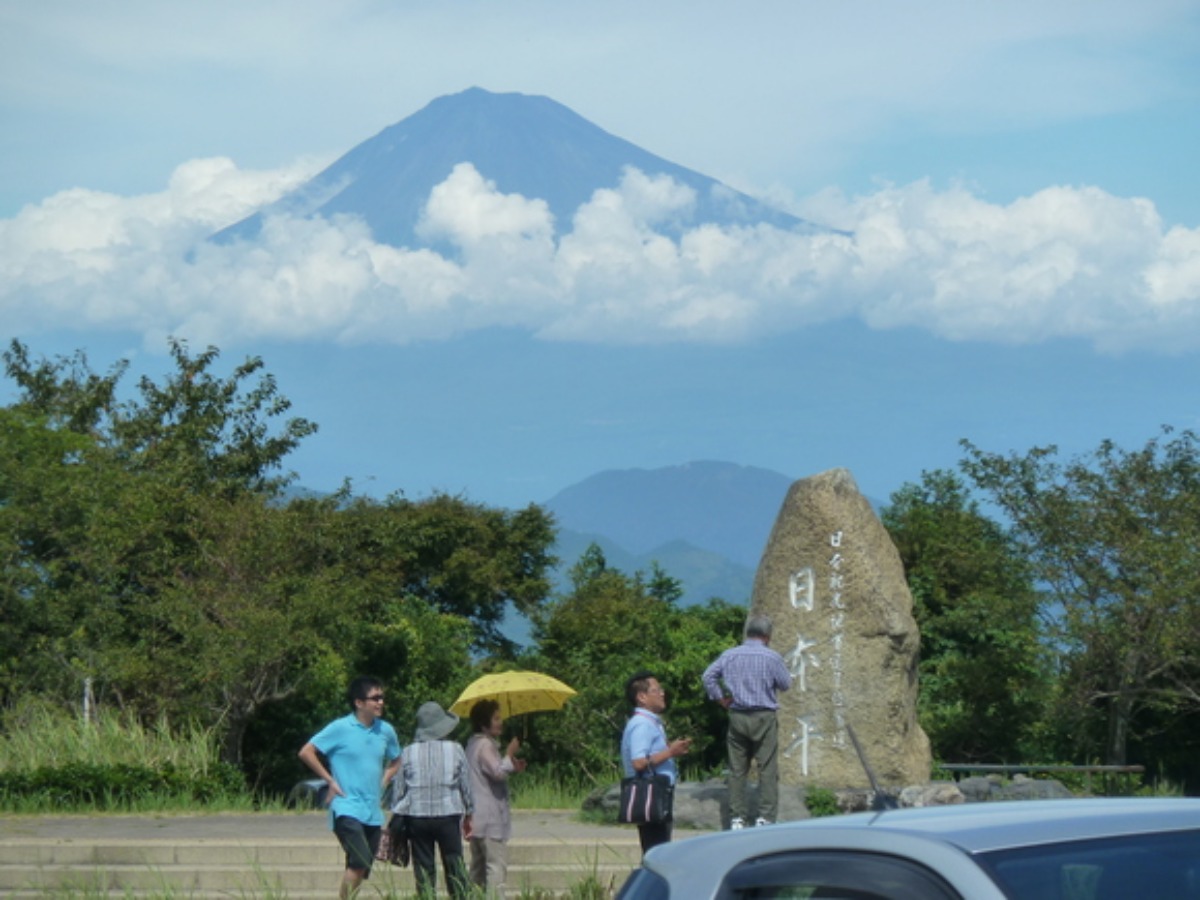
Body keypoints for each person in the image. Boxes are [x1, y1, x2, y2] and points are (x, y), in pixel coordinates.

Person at [298, 675, 402, 899]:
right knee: (360, 859)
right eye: (375, 698)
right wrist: (330, 780)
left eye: (382, 697)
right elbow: (306, 752)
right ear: (359, 702)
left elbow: (397, 760)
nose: (380, 702)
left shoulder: (386, 730)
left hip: (372, 810)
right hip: (345, 807)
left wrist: (384, 780)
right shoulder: (340, 728)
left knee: (361, 867)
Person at [702, 614, 793, 829]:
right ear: (767, 636)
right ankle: (766, 817)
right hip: (764, 716)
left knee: (737, 769)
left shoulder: (731, 655)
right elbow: (786, 684)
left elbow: (708, 676)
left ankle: (737, 817)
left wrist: (720, 698)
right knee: (767, 769)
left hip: (738, 715)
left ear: (748, 633)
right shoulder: (772, 657)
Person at [391, 700, 474, 900]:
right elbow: (466, 786)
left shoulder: (408, 752)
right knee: (455, 865)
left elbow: (399, 791)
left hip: (417, 817)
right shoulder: (455, 749)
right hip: (448, 815)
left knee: (424, 869)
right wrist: (469, 813)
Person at [620, 671, 692, 856]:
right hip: (651, 793)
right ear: (642, 697)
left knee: (658, 848)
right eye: (657, 690)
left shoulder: (649, 722)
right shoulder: (642, 724)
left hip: (657, 792)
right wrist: (670, 752)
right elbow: (638, 762)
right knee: (656, 851)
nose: (662, 693)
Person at [465, 699, 528, 897]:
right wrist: (509, 753)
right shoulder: (485, 745)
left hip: (476, 818)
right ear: (484, 723)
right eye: (496, 718)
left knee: (477, 870)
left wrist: (511, 764)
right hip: (490, 819)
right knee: (495, 868)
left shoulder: (473, 743)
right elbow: (498, 772)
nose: (500, 722)